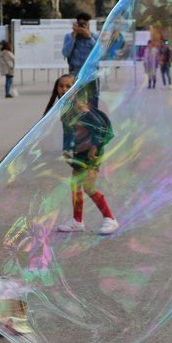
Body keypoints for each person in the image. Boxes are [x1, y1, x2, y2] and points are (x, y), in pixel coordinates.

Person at [48, 74, 119, 234]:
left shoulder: (80, 107)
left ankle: (110, 219)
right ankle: (77, 221)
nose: (64, 89)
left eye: (68, 86)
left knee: (88, 186)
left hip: (93, 151)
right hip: (80, 151)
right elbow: (68, 131)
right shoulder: (66, 107)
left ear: (75, 90)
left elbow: (99, 126)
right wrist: (67, 149)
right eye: (61, 86)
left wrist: (95, 147)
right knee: (75, 184)